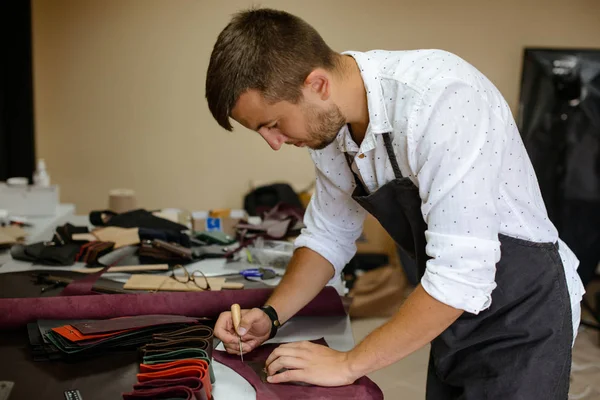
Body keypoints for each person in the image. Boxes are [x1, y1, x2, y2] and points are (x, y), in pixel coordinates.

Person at [204, 7, 585, 399]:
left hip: (524, 315)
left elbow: (461, 274)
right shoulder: (331, 133)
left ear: (317, 84)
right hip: (451, 318)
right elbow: (327, 237)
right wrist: (271, 316)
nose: (273, 142)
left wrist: (348, 364)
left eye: (273, 124)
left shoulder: (442, 99)